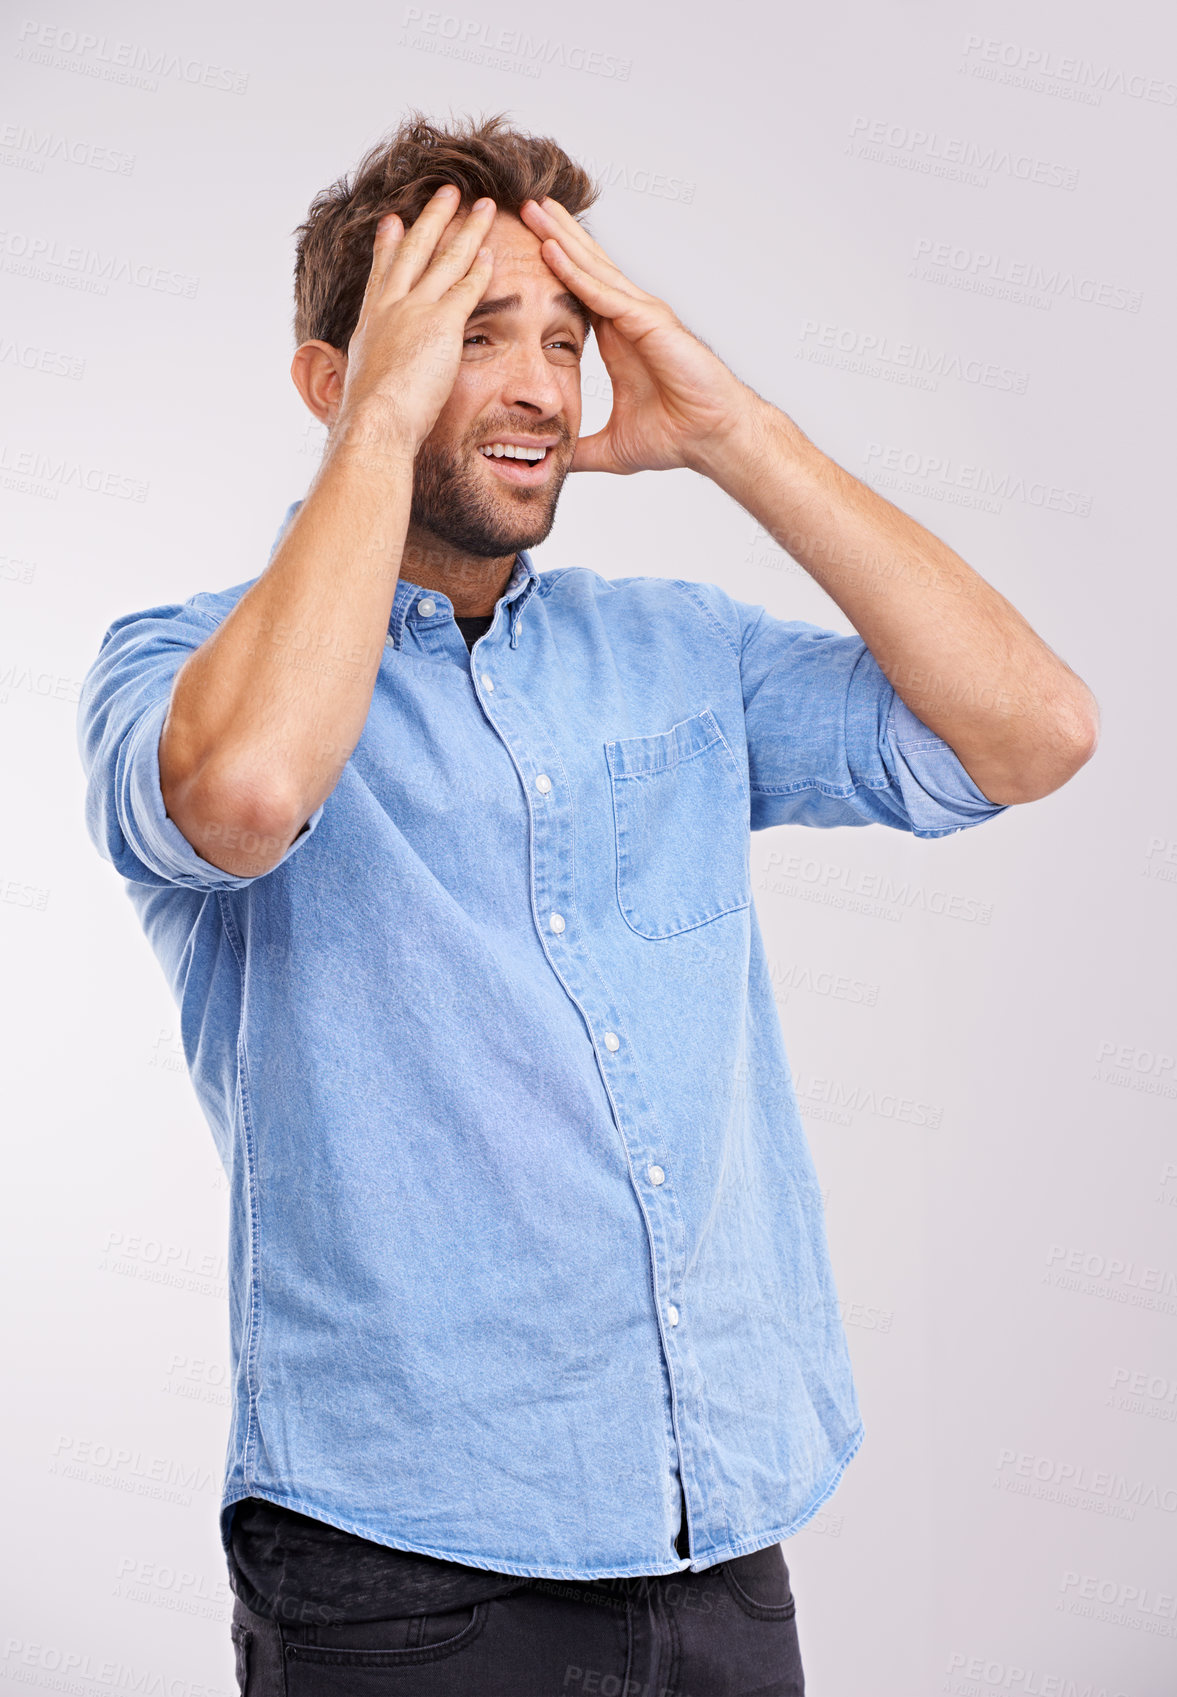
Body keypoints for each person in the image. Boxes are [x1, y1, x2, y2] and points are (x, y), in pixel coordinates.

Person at [76, 111, 1098, 1694]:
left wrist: (732, 431)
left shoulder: (676, 648)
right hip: (401, 1569)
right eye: (468, 331)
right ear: (330, 381)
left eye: (565, 334)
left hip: (716, 1534)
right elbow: (250, 792)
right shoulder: (177, 667)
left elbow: (1031, 732)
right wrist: (384, 424)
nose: (543, 384)